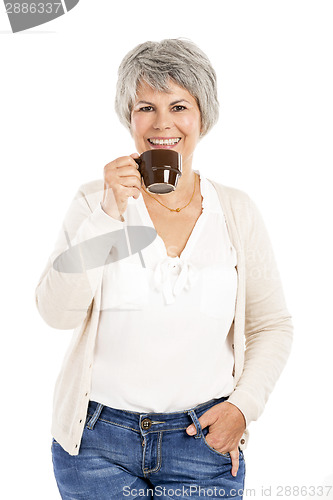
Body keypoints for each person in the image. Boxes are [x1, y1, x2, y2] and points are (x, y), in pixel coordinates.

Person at [35, 39, 293, 500]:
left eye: (179, 106)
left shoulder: (235, 211)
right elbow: (57, 313)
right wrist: (109, 213)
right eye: (145, 108)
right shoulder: (95, 202)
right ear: (128, 117)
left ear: (203, 116)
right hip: (96, 445)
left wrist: (242, 408)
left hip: (203, 442)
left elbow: (272, 324)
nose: (162, 124)